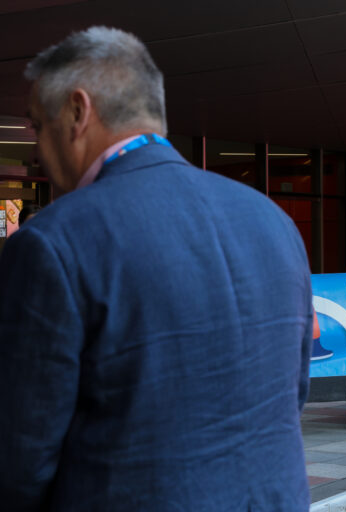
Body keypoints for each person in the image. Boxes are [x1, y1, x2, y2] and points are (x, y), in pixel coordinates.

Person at [0, 27, 313, 511]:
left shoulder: (53, 242)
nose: (37, 150)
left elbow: (20, 456)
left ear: (78, 111)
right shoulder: (274, 222)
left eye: (38, 125)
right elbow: (290, 395)